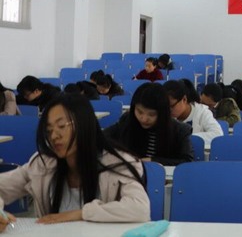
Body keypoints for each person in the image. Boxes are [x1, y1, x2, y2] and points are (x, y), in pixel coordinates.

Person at [0, 94, 150, 228]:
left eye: (61, 126)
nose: (54, 136)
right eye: (49, 130)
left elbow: (140, 209)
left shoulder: (117, 163)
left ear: (83, 124)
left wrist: (80, 214)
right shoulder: (43, 164)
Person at [104, 83, 194, 166]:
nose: (144, 119)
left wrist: (153, 161)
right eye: (139, 112)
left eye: (151, 114)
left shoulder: (180, 130)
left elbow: (187, 161)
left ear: (163, 113)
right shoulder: (127, 121)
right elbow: (102, 137)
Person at [163, 79, 223, 147]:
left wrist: (187, 138)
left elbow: (217, 134)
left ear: (184, 99)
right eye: (165, 107)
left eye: (172, 106)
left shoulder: (202, 112)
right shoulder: (164, 115)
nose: (168, 110)